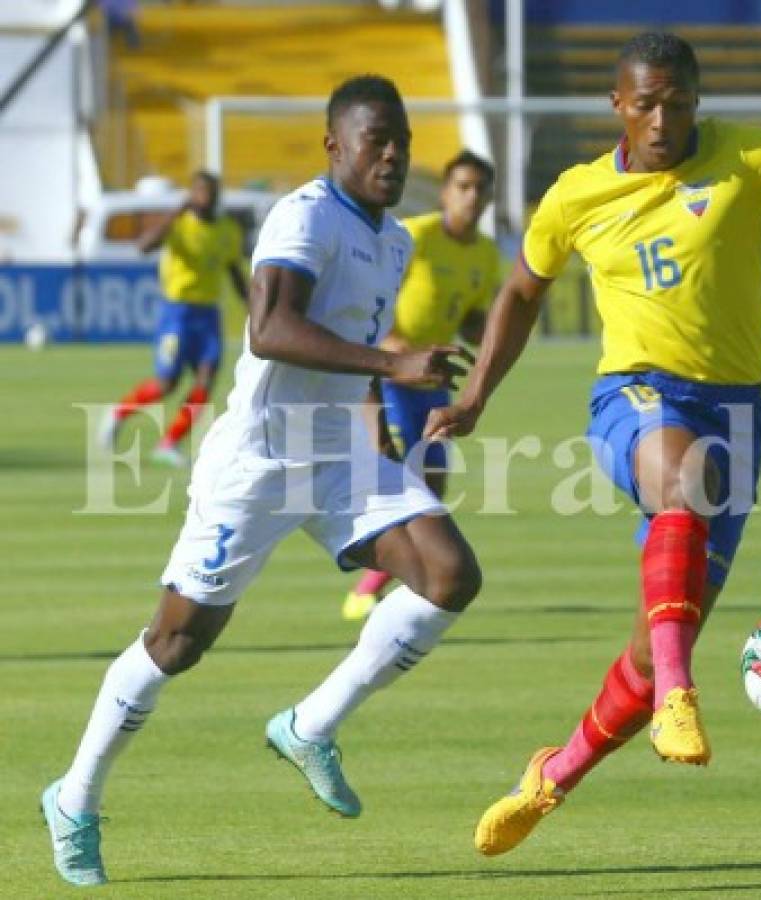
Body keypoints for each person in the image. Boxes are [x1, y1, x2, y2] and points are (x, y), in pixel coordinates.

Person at [425, 31, 761, 856]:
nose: (662, 119)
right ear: (618, 104)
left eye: (677, 102)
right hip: (635, 395)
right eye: (645, 103)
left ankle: (550, 778)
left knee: (654, 648)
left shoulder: (748, 157)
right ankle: (683, 697)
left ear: (697, 101)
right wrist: (474, 397)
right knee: (686, 484)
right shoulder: (576, 195)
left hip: (737, 417)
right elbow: (520, 290)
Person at [42, 74, 481, 886]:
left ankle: (310, 725)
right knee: (177, 643)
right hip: (260, 459)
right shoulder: (306, 214)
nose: (392, 155)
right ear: (334, 145)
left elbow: (356, 338)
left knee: (450, 574)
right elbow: (272, 328)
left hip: (340, 452)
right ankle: (75, 798)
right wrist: (392, 362)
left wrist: (381, 404)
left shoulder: (395, 240)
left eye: (403, 142)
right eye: (375, 139)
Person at [343, 149, 499, 621]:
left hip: (434, 379)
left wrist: (492, 329)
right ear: (447, 191)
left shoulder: (485, 254)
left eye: (480, 189)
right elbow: (374, 303)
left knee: (431, 486)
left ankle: (379, 583)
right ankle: (372, 582)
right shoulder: (416, 237)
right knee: (400, 479)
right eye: (463, 187)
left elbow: (470, 318)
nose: (471, 198)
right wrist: (396, 355)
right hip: (392, 373)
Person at [99, 170, 247, 467]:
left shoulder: (228, 229)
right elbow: (144, 247)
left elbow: (234, 273)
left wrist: (254, 307)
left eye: (210, 192)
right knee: (167, 384)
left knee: (206, 382)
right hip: (177, 314)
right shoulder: (178, 225)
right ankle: (118, 413)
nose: (205, 198)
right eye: (200, 192)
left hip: (208, 315)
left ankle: (169, 443)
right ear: (191, 195)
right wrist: (176, 213)